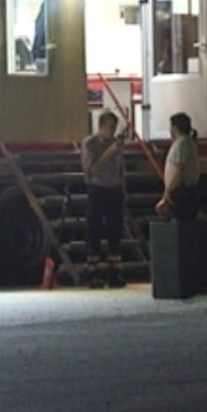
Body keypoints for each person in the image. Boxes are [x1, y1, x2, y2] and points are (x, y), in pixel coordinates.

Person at [80, 110, 129, 287]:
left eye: (114, 128)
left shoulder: (115, 144)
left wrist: (123, 186)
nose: (112, 132)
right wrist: (110, 152)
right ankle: (93, 271)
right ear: (101, 126)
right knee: (94, 229)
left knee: (114, 230)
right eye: (110, 127)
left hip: (114, 190)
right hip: (97, 189)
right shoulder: (90, 143)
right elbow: (91, 168)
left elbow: (120, 167)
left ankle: (114, 272)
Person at [157, 112, 201, 222]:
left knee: (179, 225)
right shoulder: (187, 143)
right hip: (184, 190)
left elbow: (178, 170)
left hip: (181, 192)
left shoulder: (182, 144)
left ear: (175, 127)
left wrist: (168, 192)